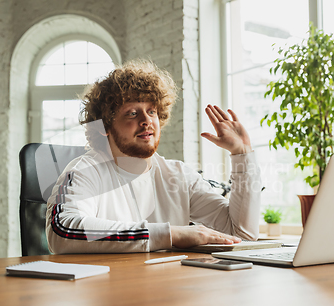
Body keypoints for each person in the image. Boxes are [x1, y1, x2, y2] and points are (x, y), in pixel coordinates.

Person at [46, 60, 261, 254]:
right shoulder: (84, 171)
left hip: (166, 290)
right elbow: (62, 230)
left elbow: (241, 234)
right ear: (105, 127)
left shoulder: (180, 175)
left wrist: (242, 154)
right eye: (132, 113)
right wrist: (172, 235)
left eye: (152, 111)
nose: (147, 121)